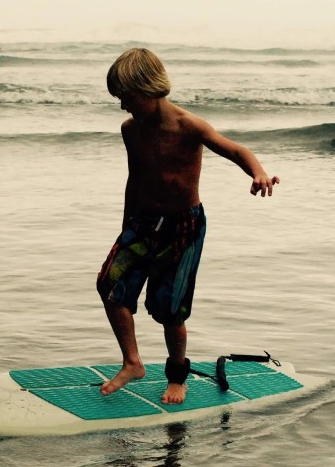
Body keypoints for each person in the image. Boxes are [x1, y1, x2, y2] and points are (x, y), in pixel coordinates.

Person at [96, 48, 279, 404]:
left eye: (126, 98)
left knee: (170, 307)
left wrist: (257, 173)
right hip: (142, 222)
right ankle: (132, 362)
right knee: (110, 284)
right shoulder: (131, 129)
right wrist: (125, 225)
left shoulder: (188, 126)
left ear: (147, 88)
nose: (123, 107)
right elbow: (134, 178)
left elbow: (237, 150)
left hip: (183, 227)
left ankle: (177, 376)